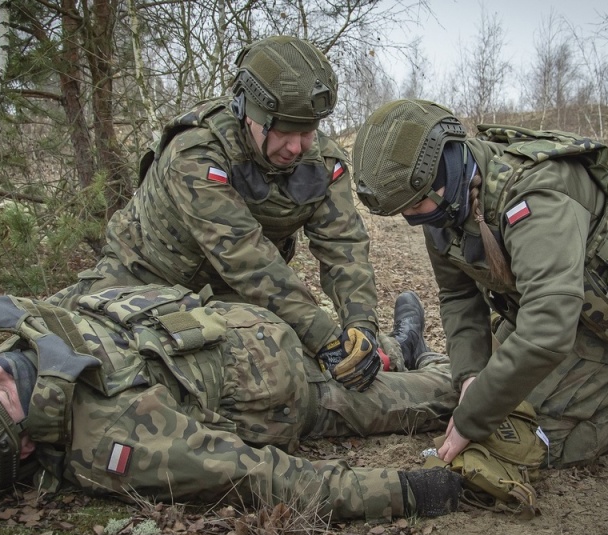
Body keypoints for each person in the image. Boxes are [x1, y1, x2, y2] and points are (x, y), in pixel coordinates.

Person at [350, 99, 608, 469]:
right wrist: (470, 377)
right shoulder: (445, 206)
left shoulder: (536, 194)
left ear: (446, 166)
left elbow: (548, 328)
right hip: (562, 313)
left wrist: (474, 416)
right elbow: (458, 295)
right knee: (485, 403)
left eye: (416, 205)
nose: (413, 218)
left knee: (532, 442)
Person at [0, 285, 461, 523]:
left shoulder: (35, 334)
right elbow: (262, 477)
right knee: (447, 392)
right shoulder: (117, 438)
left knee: (367, 351)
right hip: (306, 397)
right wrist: (407, 490)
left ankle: (398, 344)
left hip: (259, 328)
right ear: (26, 440)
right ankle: (423, 356)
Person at [53, 35, 382, 392]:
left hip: (228, 295)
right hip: (141, 276)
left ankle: (398, 349)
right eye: (285, 132)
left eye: (308, 132)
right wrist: (322, 335)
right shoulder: (196, 152)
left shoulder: (324, 162)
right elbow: (244, 254)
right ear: (247, 113)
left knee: (278, 366)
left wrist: (360, 324)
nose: (296, 147)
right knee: (76, 350)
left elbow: (344, 245)